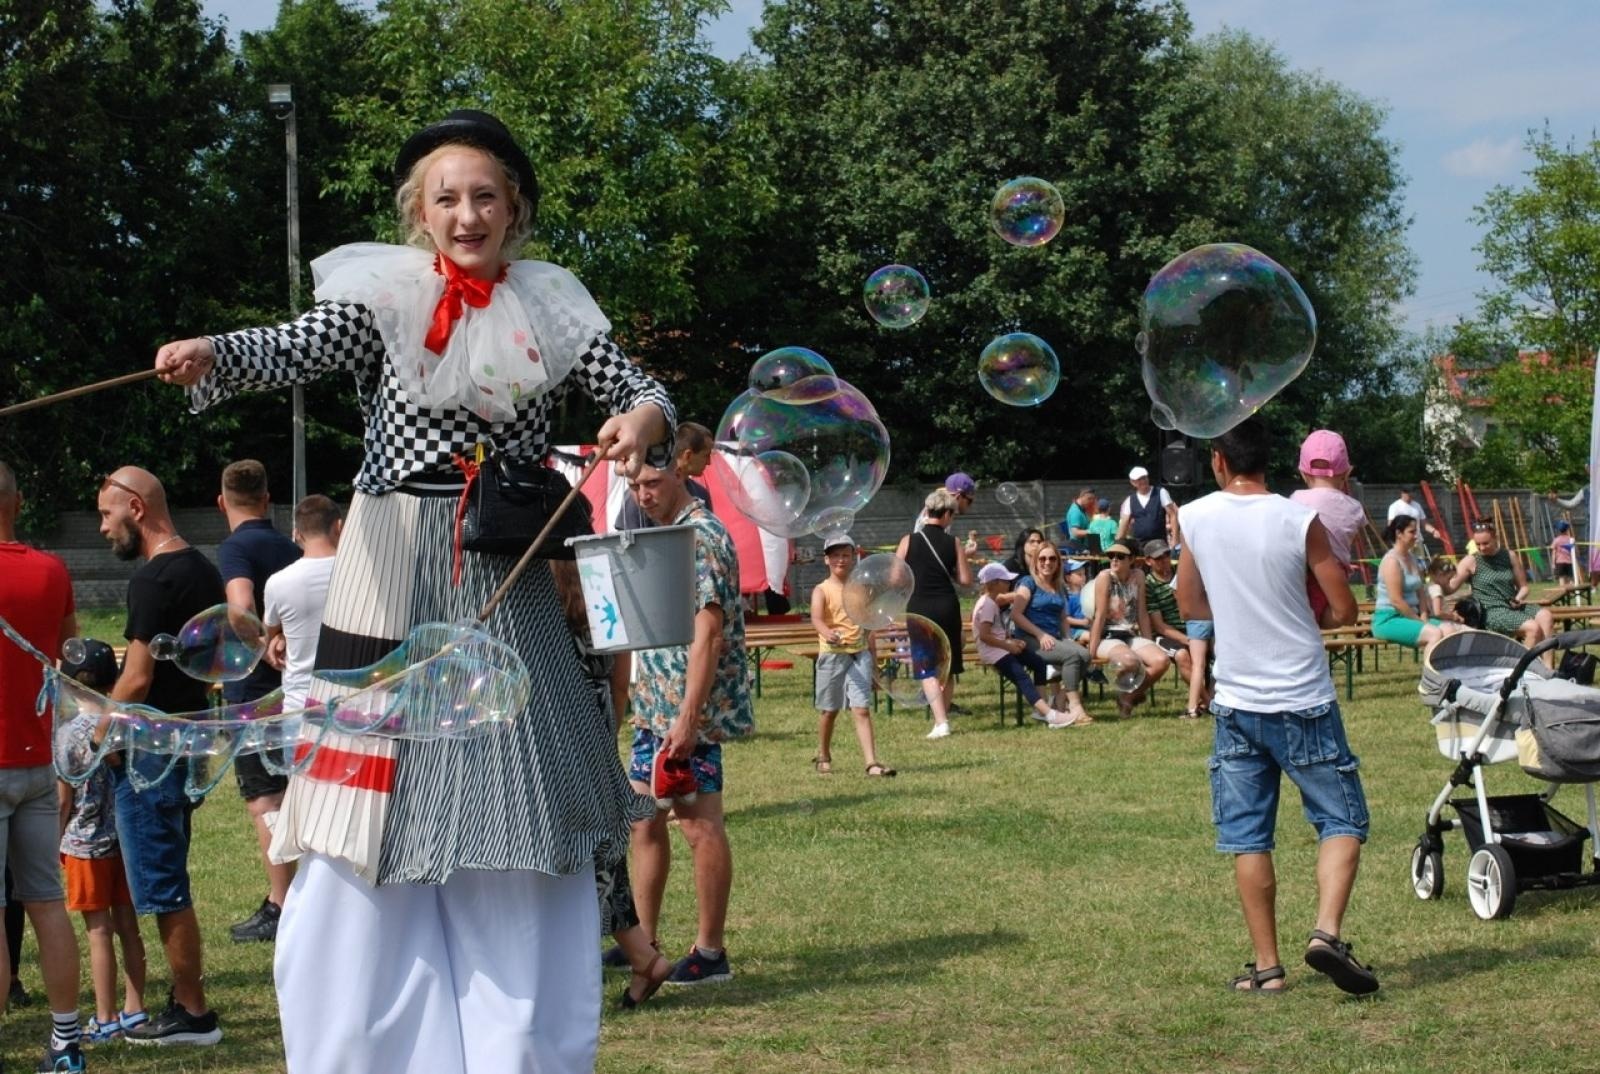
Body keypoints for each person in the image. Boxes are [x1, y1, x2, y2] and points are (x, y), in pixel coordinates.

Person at [153, 110, 673, 1072]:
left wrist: (642, 415)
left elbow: (642, 388)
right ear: (420, 213)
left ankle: (519, 1053)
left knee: (516, 818)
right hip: (389, 561)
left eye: (485, 195)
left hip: (502, 571)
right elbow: (292, 347)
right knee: (363, 821)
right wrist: (214, 352)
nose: (467, 213)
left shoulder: (554, 304)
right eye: (447, 198)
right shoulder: (383, 296)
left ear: (513, 207)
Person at [1176, 417, 1378, 997]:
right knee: (1340, 820)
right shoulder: (1300, 517)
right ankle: (1326, 934)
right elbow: (1343, 610)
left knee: (1248, 836)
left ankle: (1267, 969)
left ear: (1218, 460)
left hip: (1237, 701)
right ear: (1275, 462)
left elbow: (1192, 602)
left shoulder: (1195, 517)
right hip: (1304, 698)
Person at [96, 466, 224, 1044]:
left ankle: (192, 1013)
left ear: (137, 509)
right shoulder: (203, 567)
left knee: (164, 883)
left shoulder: (151, 580)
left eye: (107, 514)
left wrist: (97, 731)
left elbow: (138, 678)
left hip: (150, 751)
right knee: (171, 869)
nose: (103, 527)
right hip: (188, 739)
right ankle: (186, 1000)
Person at [626, 459, 752, 986]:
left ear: (680, 473)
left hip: (686, 713)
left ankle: (710, 952)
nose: (642, 494)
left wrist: (688, 717)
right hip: (655, 707)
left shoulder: (702, 536)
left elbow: (709, 634)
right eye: (634, 485)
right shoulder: (668, 535)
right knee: (643, 820)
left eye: (652, 482)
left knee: (699, 827)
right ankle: (643, 941)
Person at [0, 461, 88, 1070]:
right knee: (47, 904)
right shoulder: (52, 569)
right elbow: (70, 653)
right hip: (37, 763)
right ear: (19, 499)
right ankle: (65, 1043)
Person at [215, 459, 303, 944]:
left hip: (252, 695)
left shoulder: (234, 549)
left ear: (221, 502)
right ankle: (297, 896)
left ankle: (280, 904)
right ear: (268, 500)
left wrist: (257, 642)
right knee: (290, 793)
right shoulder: (289, 546)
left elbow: (241, 606)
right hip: (292, 689)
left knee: (263, 799)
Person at [55, 639, 147, 1048]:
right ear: (114, 682)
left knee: (98, 932)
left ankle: (106, 1018)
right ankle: (135, 1008)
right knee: (128, 926)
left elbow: (62, 799)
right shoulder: (126, 724)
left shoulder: (66, 734)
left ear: (69, 686)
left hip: (85, 845)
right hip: (125, 840)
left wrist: (53, 840)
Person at [809, 534, 894, 775]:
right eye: (835, 555)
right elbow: (816, 618)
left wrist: (874, 661)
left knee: (862, 709)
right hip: (832, 656)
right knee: (830, 710)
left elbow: (869, 626)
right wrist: (828, 632)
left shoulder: (861, 589)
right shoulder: (821, 590)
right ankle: (823, 754)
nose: (841, 560)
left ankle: (871, 762)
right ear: (826, 560)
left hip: (860, 655)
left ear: (854, 558)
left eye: (845, 555)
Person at [896, 489, 972, 738]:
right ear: (948, 514)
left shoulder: (908, 540)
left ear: (927, 512)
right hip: (947, 606)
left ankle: (941, 722)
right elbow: (965, 580)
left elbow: (896, 577)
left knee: (926, 664)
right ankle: (944, 717)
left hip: (919, 607)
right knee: (947, 663)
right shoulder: (954, 542)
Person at [261, 495, 343, 715]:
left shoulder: (278, 582)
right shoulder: (362, 575)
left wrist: (280, 636)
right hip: (352, 705)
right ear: (339, 526)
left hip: (299, 705)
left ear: (297, 534)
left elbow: (265, 640)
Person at [972, 563, 1080, 727]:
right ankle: (1050, 714)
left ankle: (1041, 709)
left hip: (1001, 647)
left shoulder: (991, 603)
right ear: (994, 583)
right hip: (994, 653)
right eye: (1005, 580)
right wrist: (1008, 646)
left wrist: (1011, 641)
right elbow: (985, 636)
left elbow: (996, 632)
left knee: (1038, 663)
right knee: (1022, 677)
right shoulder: (986, 605)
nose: (1009, 583)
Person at [1436, 519, 1556, 652]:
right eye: (1478, 544)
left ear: (1495, 538)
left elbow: (1524, 587)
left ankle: (1547, 669)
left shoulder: (1509, 556)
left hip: (1512, 605)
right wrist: (1439, 581)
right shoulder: (1471, 561)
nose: (1481, 548)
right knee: (1533, 628)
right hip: (1490, 611)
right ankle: (1519, 670)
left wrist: (1518, 598)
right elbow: (1450, 588)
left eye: (1485, 543)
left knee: (1546, 616)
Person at [1008, 541, 1093, 725]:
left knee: (1085, 654)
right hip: (1030, 639)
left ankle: (1060, 699)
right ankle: (1076, 707)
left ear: (1058, 562)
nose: (1047, 562)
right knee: (1072, 656)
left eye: (1052, 558)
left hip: (1054, 638)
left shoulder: (1059, 586)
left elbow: (1063, 617)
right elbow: (1016, 615)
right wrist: (1040, 635)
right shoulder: (1028, 583)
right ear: (1036, 561)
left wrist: (1068, 639)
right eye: (1043, 558)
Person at [1288, 430, 1366, 620]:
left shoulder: (1294, 500)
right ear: (1347, 473)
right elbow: (1351, 537)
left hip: (1299, 579)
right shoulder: (1355, 508)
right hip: (1333, 587)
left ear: (1302, 472)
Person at [1085, 542, 1169, 717]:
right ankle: (1131, 698)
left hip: (1130, 634)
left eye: (1120, 556)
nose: (1114, 560)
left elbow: (1142, 612)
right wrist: (1090, 655)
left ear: (1131, 559)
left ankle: (1127, 697)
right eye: (1111, 556)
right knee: (1130, 662)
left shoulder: (1138, 575)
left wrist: (1148, 642)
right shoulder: (1104, 577)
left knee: (1161, 661)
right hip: (1108, 636)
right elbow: (1099, 616)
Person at [1371, 517, 1462, 650]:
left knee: (1450, 631)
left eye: (1417, 531)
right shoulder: (1392, 561)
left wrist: (1424, 615)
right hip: (1389, 618)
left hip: (1412, 616)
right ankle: (1429, 671)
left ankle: (1445, 670)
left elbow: (1421, 592)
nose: (1416, 536)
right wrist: (1419, 622)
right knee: (1434, 634)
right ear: (1399, 534)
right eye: (1412, 532)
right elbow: (1396, 601)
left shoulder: (1413, 559)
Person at [1139, 539, 1206, 719]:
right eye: (1158, 557)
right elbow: (1160, 626)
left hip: (1193, 628)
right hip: (1164, 635)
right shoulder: (1149, 585)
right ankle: (1208, 701)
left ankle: (1208, 698)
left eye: (1167, 555)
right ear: (1148, 561)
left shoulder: (1181, 575)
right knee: (1183, 655)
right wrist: (1188, 640)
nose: (1164, 560)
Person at [1115, 466, 1177, 547]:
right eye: (1139, 479)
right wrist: (1117, 544)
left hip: (1159, 544)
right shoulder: (1130, 500)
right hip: (1139, 545)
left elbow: (1173, 515)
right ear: (1133, 482)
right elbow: (1124, 523)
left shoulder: (1161, 493)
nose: (1143, 481)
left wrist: (1175, 539)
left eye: (1144, 478)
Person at [1550, 520, 1583, 587]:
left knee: (1561, 578)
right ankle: (1572, 592)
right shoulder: (1571, 539)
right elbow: (1575, 551)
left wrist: (1553, 563)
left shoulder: (1556, 540)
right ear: (1567, 530)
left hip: (1560, 562)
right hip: (1570, 562)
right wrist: (1577, 559)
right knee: (1571, 579)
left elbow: (1554, 552)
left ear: (1558, 530)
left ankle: (1563, 592)